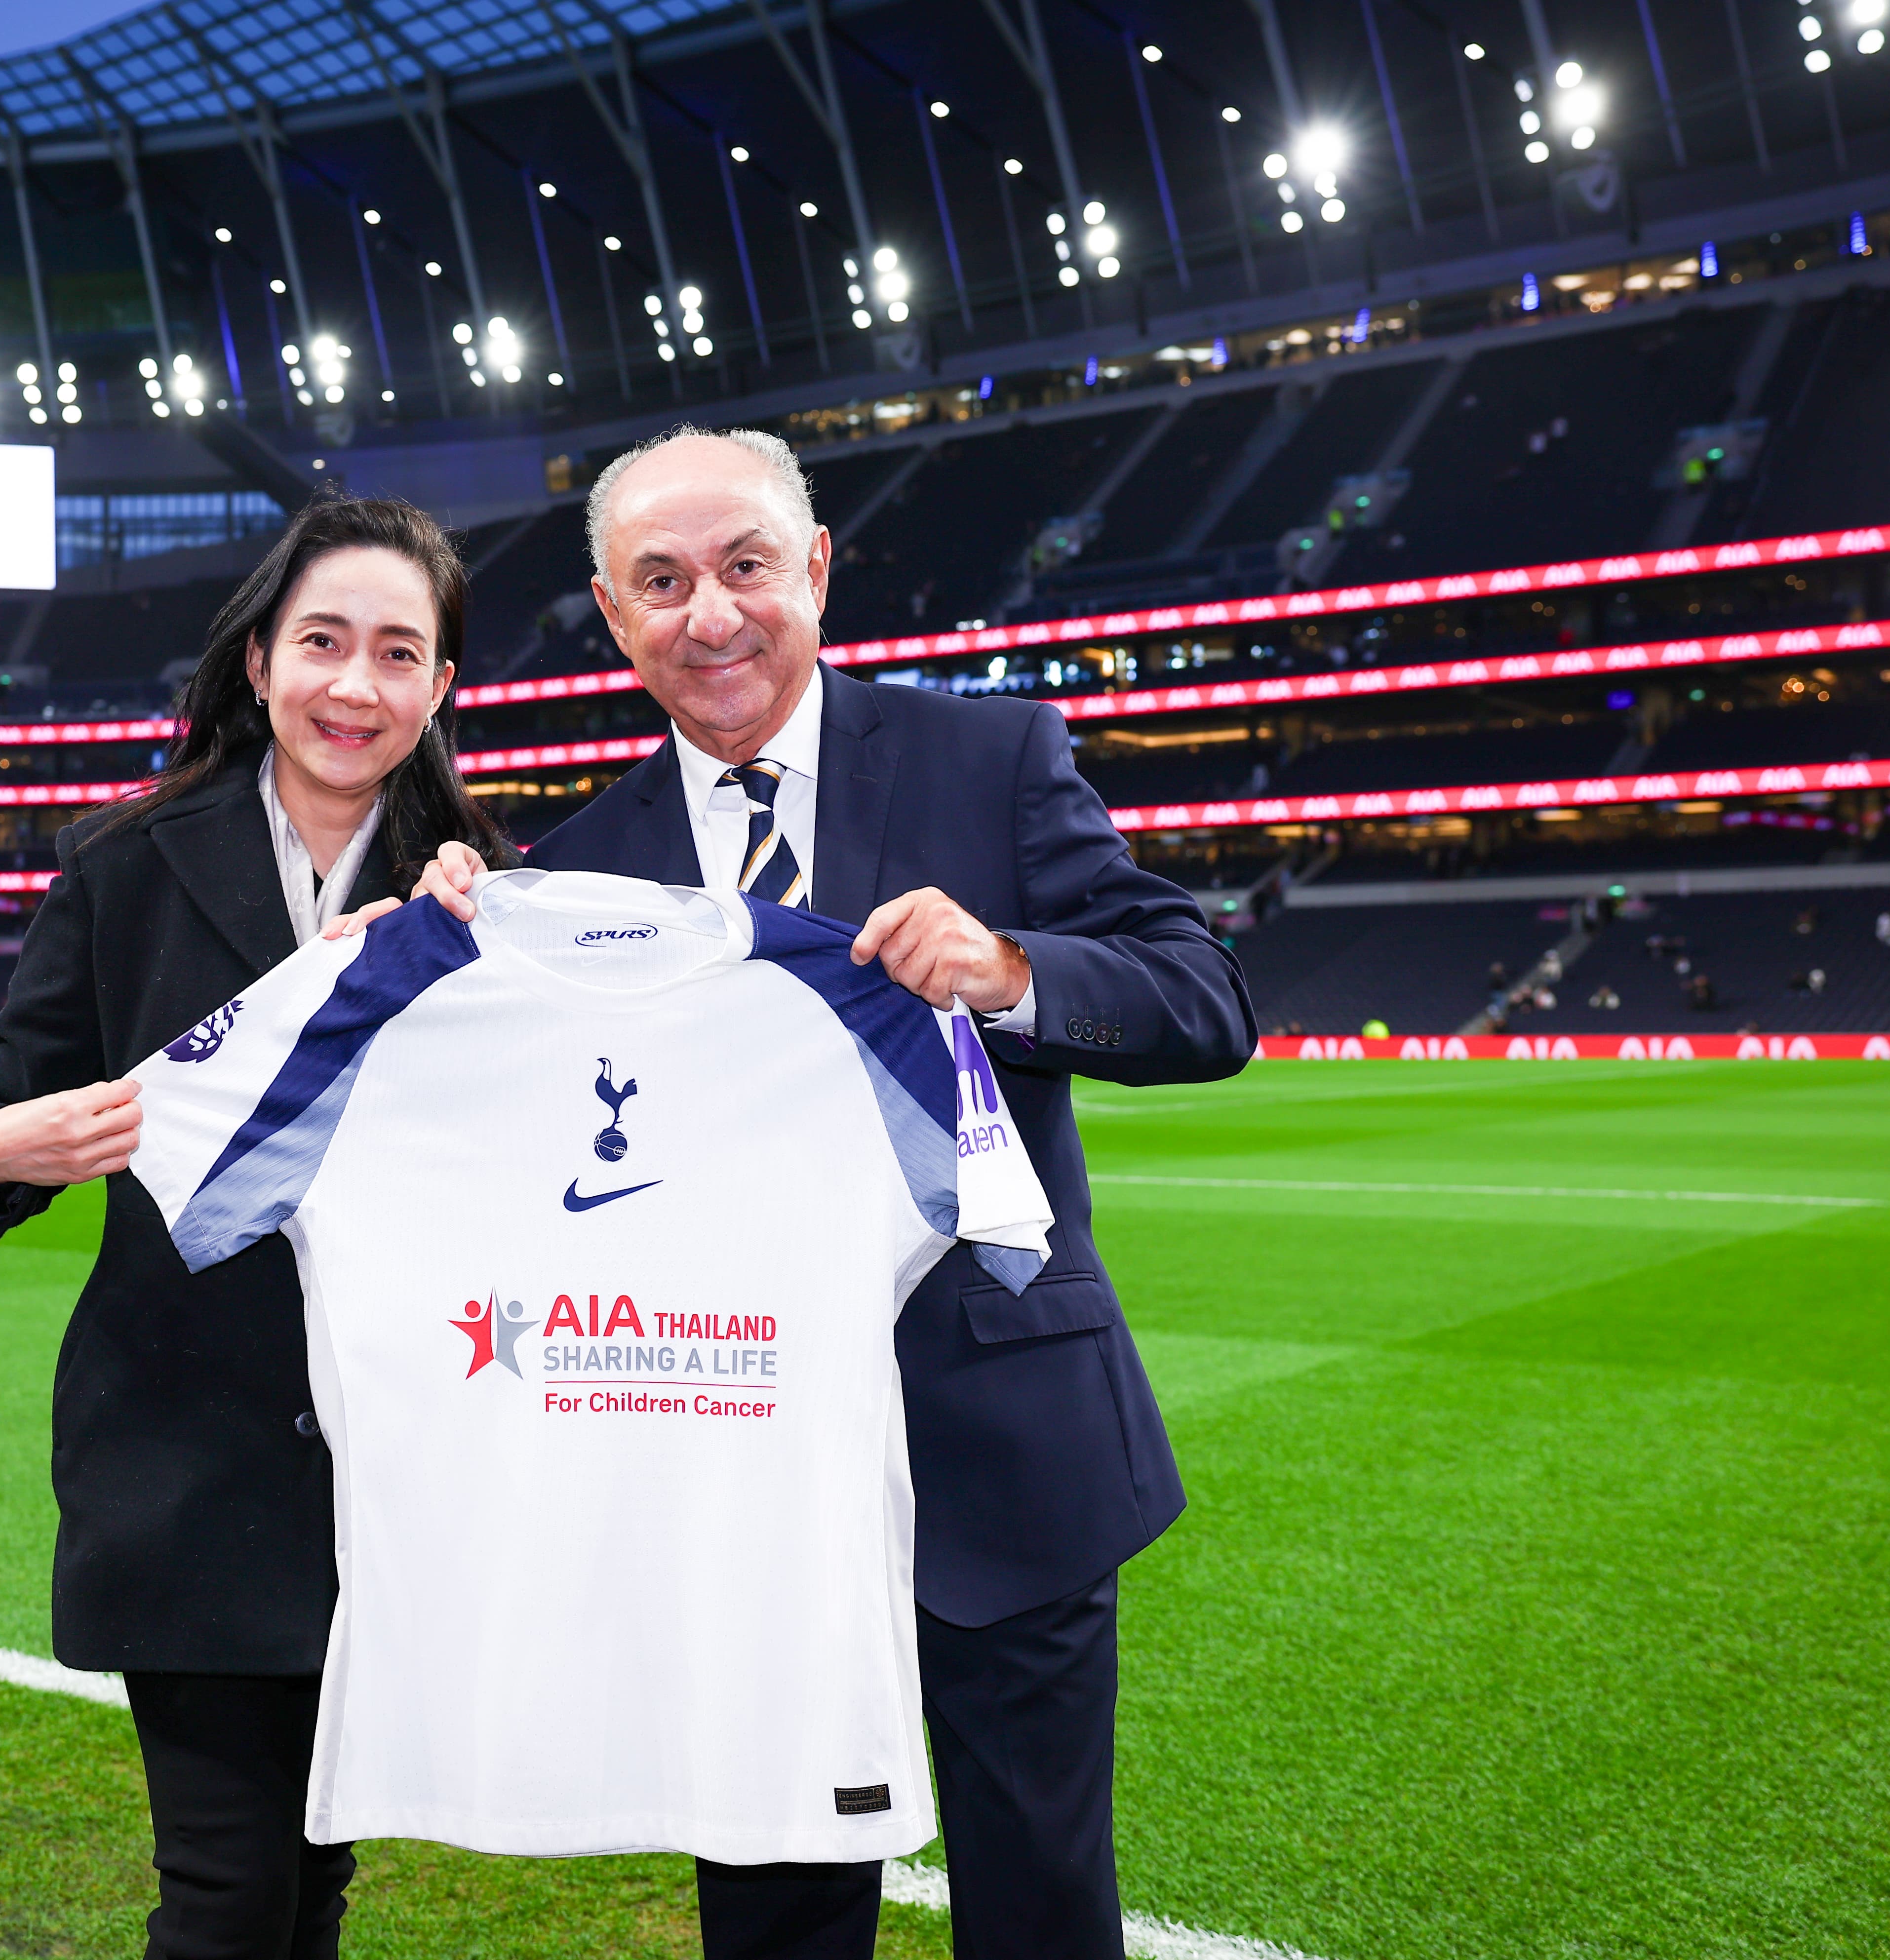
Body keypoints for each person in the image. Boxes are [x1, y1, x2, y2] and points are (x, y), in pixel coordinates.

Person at [348, 427, 1255, 1960]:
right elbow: (504, 1151)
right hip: (731, 1482)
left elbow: (1203, 998)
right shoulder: (579, 868)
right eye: (660, 581)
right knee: (774, 1920)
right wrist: (425, 955)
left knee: (1039, 1906)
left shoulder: (992, 759)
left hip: (1000, 1450)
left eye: (746, 564)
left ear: (816, 569)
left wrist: (1010, 971)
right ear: (612, 614)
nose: (710, 613)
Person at [0, 494, 512, 1960]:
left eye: (399, 653)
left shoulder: (490, 891)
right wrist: (4, 1146)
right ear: (259, 660)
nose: (355, 685)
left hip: (397, 1467)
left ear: (441, 685)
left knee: (314, 1887)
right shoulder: (125, 864)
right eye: (322, 642)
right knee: (230, 1892)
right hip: (182, 1461)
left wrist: (474, 954)